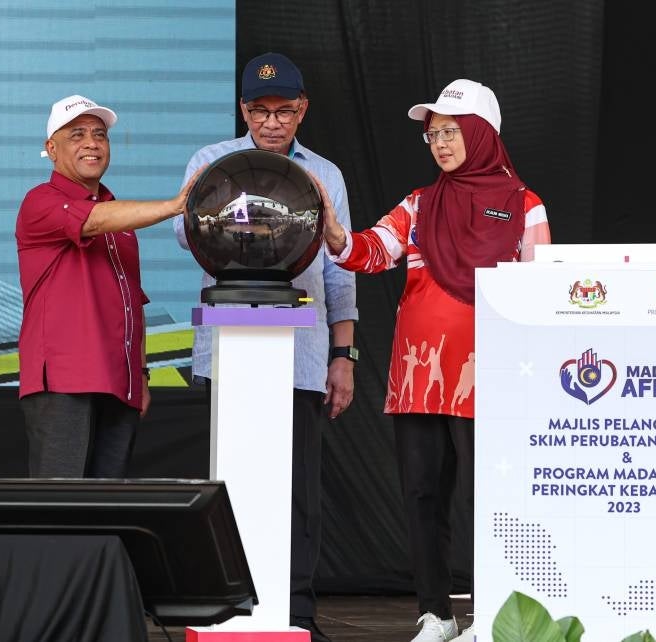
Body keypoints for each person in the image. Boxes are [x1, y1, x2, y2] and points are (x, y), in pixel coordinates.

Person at [318, 79, 552, 642]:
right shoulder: (420, 203)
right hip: (419, 379)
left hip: (491, 380)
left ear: (480, 133)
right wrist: (333, 231)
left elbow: (543, 297)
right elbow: (369, 251)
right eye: (433, 135)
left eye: (451, 131)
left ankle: (497, 612)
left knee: (492, 495)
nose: (440, 143)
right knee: (422, 494)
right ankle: (437, 614)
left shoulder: (525, 207)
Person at [172, 52, 358, 642]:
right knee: (229, 487)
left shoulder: (325, 175)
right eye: (260, 109)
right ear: (243, 109)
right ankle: (227, 612)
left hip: (299, 357)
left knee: (300, 495)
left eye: (284, 110)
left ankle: (296, 615)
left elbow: (340, 273)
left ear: (302, 109)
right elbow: (188, 233)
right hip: (232, 352)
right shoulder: (210, 164)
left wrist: (343, 355)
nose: (272, 121)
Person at [16, 94, 201, 478]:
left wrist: (142, 375)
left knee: (106, 509)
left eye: (100, 135)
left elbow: (132, 303)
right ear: (51, 149)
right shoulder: (41, 201)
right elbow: (95, 220)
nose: (92, 143)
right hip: (65, 382)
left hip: (121, 383)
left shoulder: (120, 219)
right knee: (60, 511)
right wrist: (174, 205)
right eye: (77, 134)